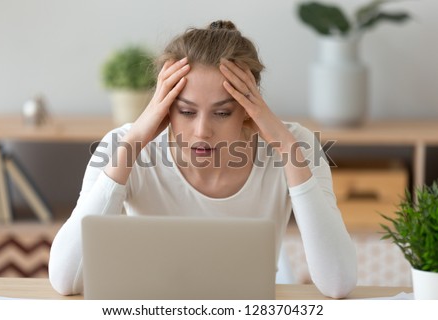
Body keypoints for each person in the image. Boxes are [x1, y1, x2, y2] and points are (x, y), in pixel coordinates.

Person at [48, 20, 357, 298]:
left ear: (250, 108)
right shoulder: (124, 146)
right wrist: (133, 144)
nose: (202, 131)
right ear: (164, 106)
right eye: (186, 111)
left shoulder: (294, 145)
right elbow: (65, 280)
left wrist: (285, 144)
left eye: (222, 113)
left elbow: (338, 283)